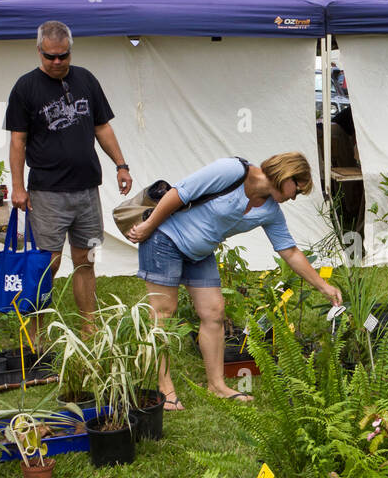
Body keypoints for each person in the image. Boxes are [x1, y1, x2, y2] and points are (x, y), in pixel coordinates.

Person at [125, 152, 342, 408]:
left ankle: (217, 386)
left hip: (200, 252)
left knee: (214, 311)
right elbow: (179, 193)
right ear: (287, 175)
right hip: (165, 238)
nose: (294, 198)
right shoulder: (232, 172)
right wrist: (149, 226)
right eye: (297, 189)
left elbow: (290, 252)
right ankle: (165, 388)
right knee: (163, 313)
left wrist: (324, 286)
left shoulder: (271, 210)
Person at [5, 20, 131, 327]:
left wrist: (121, 164)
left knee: (85, 261)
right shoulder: (25, 87)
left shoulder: (86, 79)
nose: (57, 61)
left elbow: (102, 126)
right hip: (47, 192)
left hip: (87, 189)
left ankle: (89, 327)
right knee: (47, 263)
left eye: (63, 55)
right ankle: (36, 332)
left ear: (70, 51)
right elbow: (17, 140)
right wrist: (18, 187)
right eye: (50, 56)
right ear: (39, 52)